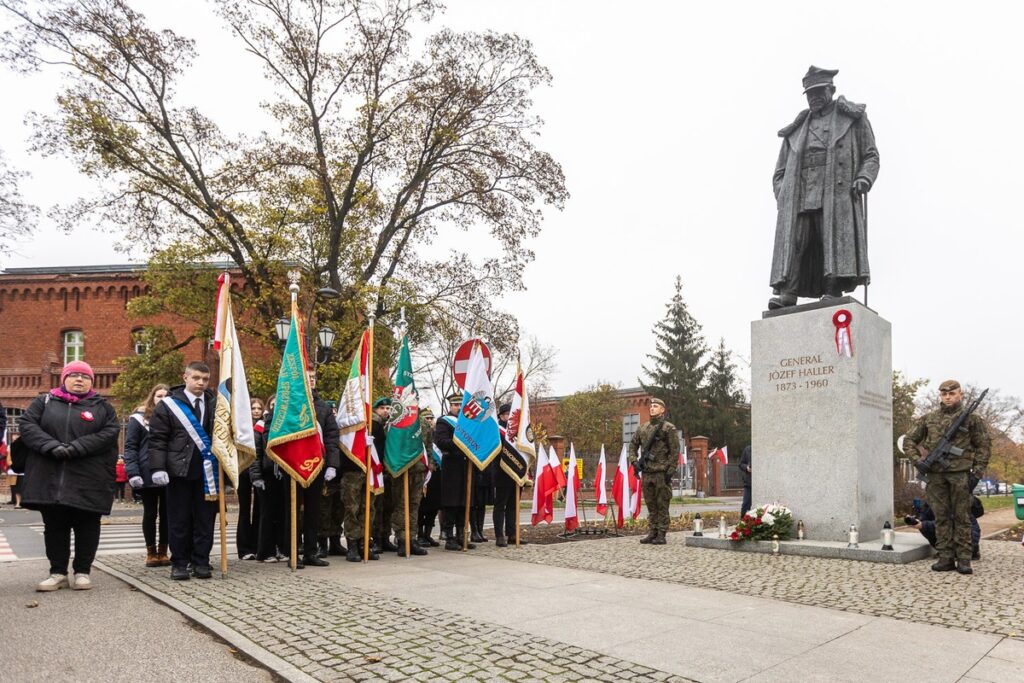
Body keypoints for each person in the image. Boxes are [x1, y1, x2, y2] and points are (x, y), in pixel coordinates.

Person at [769, 66, 880, 310]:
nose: (814, 97)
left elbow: (871, 155)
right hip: (800, 194)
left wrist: (864, 177)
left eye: (819, 91)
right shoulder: (796, 129)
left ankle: (832, 287)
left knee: (829, 239)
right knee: (797, 241)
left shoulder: (852, 118)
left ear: (832, 89)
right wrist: (783, 194)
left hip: (836, 193)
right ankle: (788, 291)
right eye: (809, 94)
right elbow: (779, 172)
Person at [17, 361, 120, 591]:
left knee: (88, 525)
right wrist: (52, 446)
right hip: (50, 477)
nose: (79, 380)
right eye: (73, 375)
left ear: (91, 382)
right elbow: (28, 426)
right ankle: (57, 573)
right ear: (63, 379)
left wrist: (77, 447)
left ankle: (83, 572)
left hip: (89, 478)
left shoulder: (102, 407)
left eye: (85, 377)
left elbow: (110, 433)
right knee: (54, 526)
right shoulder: (43, 402)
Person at [904, 380, 991, 575]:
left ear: (960, 394)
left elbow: (983, 446)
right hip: (935, 477)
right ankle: (945, 557)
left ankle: (964, 559)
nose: (948, 397)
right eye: (944, 394)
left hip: (960, 475)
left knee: (962, 517)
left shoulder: (971, 419)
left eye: (952, 393)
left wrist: (976, 473)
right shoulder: (929, 419)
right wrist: (917, 461)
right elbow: (909, 440)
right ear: (940, 396)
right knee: (941, 517)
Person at [148, 361, 218, 580]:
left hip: (208, 472)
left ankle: (201, 562)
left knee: (205, 520)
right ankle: (179, 562)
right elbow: (158, 439)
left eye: (205, 379)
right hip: (179, 471)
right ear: (185, 377)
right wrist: (158, 467)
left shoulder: (215, 404)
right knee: (179, 519)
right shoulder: (168, 405)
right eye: (196, 378)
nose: (200, 383)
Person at [280, 369, 339, 569]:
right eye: (306, 378)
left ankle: (311, 552)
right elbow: (279, 431)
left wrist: (331, 464)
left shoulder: (322, 407)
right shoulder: (288, 404)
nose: (311, 381)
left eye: (313, 378)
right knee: (292, 511)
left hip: (316, 464)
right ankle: (292, 552)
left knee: (314, 511)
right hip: (292, 463)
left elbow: (332, 436)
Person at [124, 383, 171, 568]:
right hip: (146, 473)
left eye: (166, 396)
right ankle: (151, 552)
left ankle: (163, 551)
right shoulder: (139, 418)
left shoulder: (172, 417)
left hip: (169, 473)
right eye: (159, 396)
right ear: (152, 397)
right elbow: (131, 446)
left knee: (167, 515)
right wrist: (133, 472)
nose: (162, 399)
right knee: (150, 513)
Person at [628, 397, 680, 545]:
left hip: (661, 473)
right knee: (651, 504)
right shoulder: (642, 428)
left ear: (662, 410)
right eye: (651, 406)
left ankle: (661, 534)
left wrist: (670, 470)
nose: (652, 408)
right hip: (647, 472)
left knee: (662, 504)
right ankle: (652, 532)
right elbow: (632, 445)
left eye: (656, 406)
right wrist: (634, 461)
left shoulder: (668, 428)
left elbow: (674, 451)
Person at [434, 393, 475, 551]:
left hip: (467, 467)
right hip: (452, 467)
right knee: (451, 504)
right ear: (450, 406)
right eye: (455, 405)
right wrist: (460, 443)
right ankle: (449, 537)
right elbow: (441, 441)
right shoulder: (444, 421)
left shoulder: (469, 423)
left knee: (464, 503)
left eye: (460, 405)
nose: (458, 408)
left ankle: (461, 536)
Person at [250, 400, 288, 563]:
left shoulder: (288, 425)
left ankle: (283, 548)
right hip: (266, 475)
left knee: (283, 514)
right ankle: (266, 551)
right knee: (267, 514)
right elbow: (255, 453)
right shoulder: (261, 426)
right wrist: (256, 476)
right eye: (273, 405)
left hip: (284, 474)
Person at [233, 398, 264, 561]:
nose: (256, 411)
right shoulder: (241, 427)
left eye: (259, 408)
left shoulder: (264, 427)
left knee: (260, 510)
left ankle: (258, 546)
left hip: (259, 473)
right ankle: (244, 548)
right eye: (253, 408)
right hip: (243, 471)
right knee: (245, 510)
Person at [906, 498, 983, 560]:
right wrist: (917, 519)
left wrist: (924, 524)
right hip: (953, 536)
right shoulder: (930, 502)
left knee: (926, 525)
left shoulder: (954, 500)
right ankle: (944, 550)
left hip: (968, 540)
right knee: (924, 526)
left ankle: (968, 552)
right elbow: (925, 518)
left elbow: (948, 522)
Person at [492, 403, 521, 548]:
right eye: (506, 414)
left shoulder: (518, 431)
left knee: (513, 506)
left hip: (516, 472)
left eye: (511, 414)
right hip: (501, 472)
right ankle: (499, 535)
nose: (508, 417)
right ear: (502, 416)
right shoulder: (497, 430)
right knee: (500, 506)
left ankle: (512, 534)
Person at [370, 397, 397, 552]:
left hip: (388, 471)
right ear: (375, 410)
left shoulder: (389, 426)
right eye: (383, 408)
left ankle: (385, 537)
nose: (386, 411)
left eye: (388, 408)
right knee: (377, 508)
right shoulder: (373, 425)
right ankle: (377, 539)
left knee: (388, 507)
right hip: (377, 471)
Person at [417, 408, 442, 547]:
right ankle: (420, 535)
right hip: (423, 473)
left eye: (431, 418)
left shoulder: (437, 435)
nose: (429, 421)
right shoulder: (418, 435)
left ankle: (428, 534)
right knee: (422, 507)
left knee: (433, 506)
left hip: (436, 474)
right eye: (426, 418)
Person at [739, 445, 752, 518]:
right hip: (749, 483)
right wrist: (747, 468)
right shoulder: (748, 449)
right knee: (746, 504)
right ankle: (743, 523)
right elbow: (741, 464)